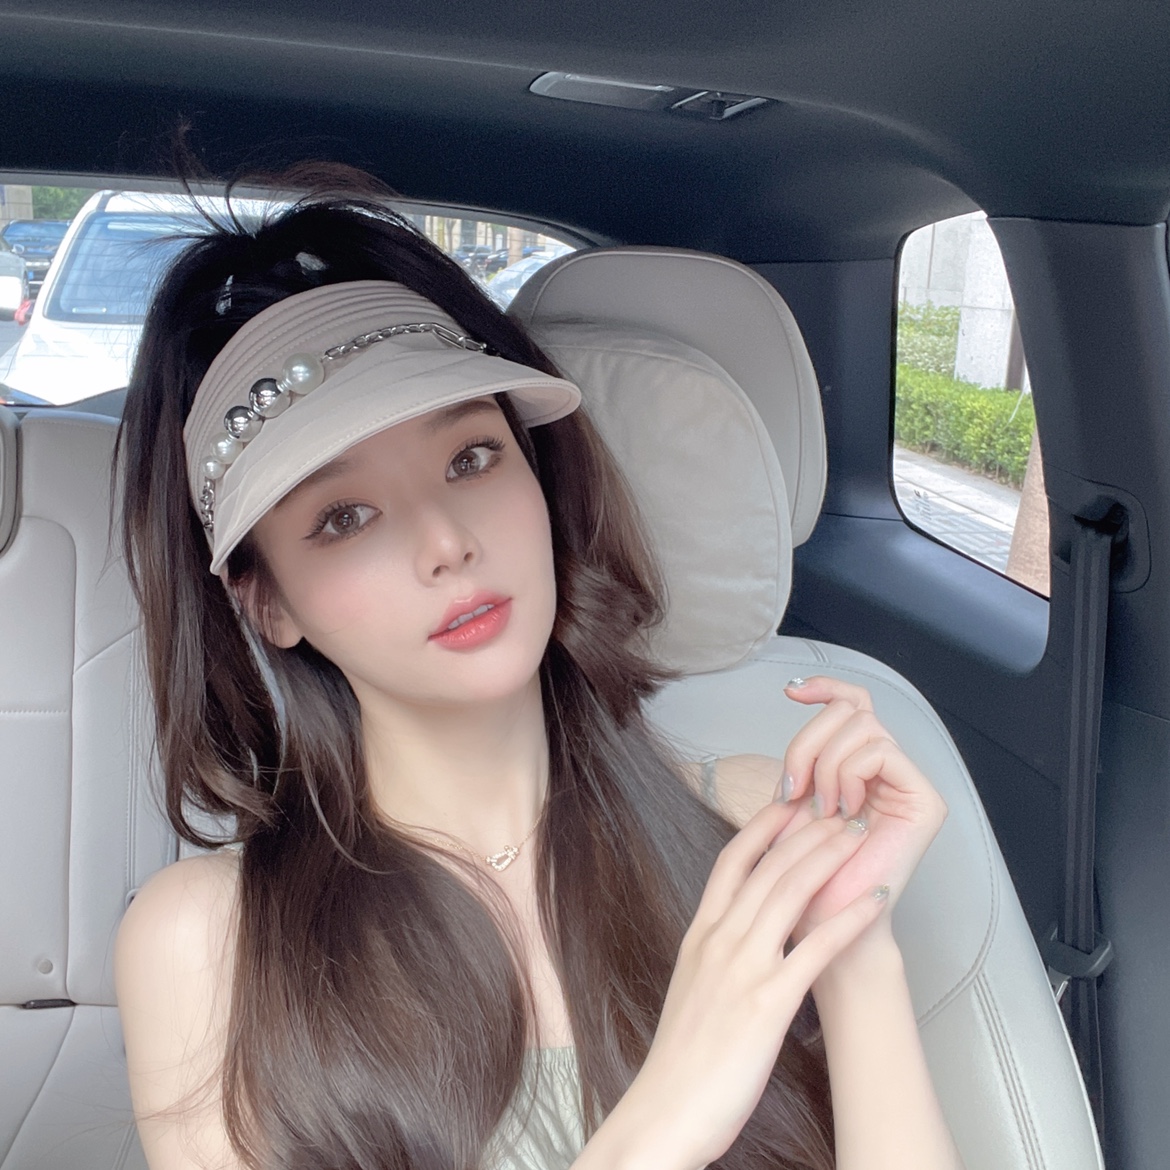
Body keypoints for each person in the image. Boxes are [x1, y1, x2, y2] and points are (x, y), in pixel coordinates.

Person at [114, 175, 964, 1170]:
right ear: (269, 602)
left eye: (470, 458)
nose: (446, 542)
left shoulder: (747, 822)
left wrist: (856, 948)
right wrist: (664, 1121)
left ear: (539, 477)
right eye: (344, 518)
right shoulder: (205, 944)